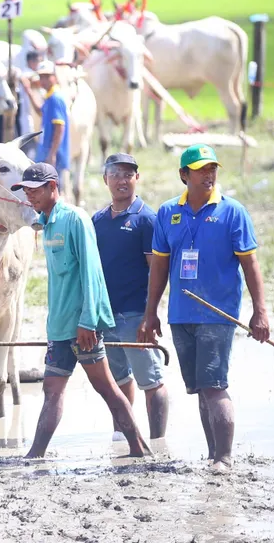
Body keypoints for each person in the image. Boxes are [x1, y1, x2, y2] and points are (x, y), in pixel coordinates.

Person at [139, 144, 270, 473]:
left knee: (214, 385)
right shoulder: (169, 212)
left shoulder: (232, 212)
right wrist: (151, 312)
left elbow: (250, 265)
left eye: (212, 168)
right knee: (199, 387)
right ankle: (213, 454)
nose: (209, 174)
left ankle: (224, 458)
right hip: (181, 315)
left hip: (218, 313)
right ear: (184, 175)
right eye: (201, 169)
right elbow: (158, 268)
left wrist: (260, 311)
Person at [16, 162, 151, 459]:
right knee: (52, 388)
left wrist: (89, 321)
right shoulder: (45, 223)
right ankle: (35, 454)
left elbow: (92, 272)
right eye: (26, 191)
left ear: (53, 187)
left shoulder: (75, 220)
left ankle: (139, 447)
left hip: (82, 328)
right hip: (59, 326)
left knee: (106, 387)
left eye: (35, 190)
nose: (30, 196)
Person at [91, 153, 169, 441]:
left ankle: (157, 441)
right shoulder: (97, 221)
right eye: (116, 174)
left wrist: (151, 315)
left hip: (136, 314)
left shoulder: (147, 219)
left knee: (151, 379)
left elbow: (157, 271)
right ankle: (123, 434)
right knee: (118, 378)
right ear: (105, 180)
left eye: (128, 174)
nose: (122, 180)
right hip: (107, 316)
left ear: (137, 178)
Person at [0, 50, 44, 159]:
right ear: (31, 62)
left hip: (29, 122)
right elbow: (29, 78)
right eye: (38, 61)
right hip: (23, 123)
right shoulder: (25, 73)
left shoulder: (27, 75)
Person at [32, 61, 71, 194]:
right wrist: (28, 90)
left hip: (53, 155)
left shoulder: (55, 98)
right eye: (41, 77)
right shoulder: (49, 97)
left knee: (51, 194)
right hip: (46, 152)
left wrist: (52, 153)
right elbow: (40, 111)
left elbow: (60, 127)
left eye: (47, 76)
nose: (43, 80)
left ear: (54, 77)